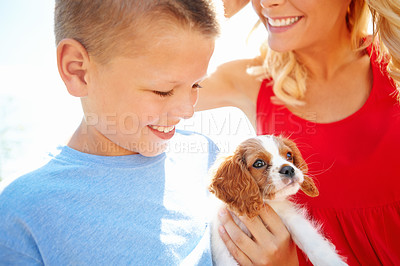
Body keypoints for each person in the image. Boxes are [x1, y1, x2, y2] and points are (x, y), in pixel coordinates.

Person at [0, 0, 224, 264]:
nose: (187, 111)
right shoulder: (22, 210)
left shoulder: (209, 161)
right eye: (162, 91)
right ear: (78, 71)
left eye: (196, 85)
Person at [197, 0, 400, 264]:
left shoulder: (394, 63)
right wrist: (210, 7)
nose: (268, 2)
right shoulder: (246, 79)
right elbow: (134, 72)